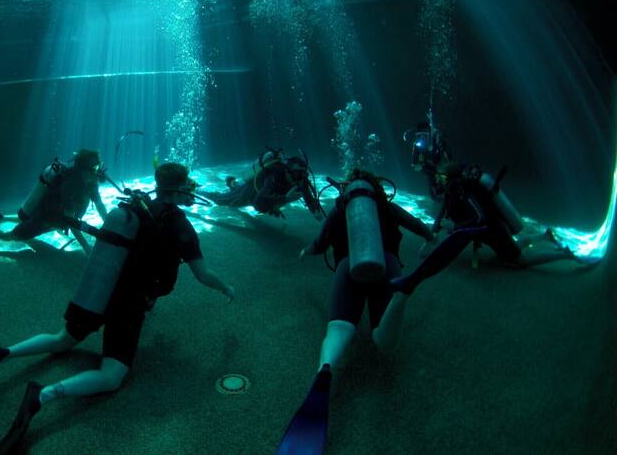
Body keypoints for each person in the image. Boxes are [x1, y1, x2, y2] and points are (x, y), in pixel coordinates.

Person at [0, 162, 235, 454]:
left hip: (97, 289)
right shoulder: (179, 227)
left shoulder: (135, 207)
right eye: (189, 185)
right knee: (112, 376)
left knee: (60, 339)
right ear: (180, 189)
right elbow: (203, 274)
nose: (193, 191)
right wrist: (226, 287)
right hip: (128, 303)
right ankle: (43, 396)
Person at [276, 169, 435, 454]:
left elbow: (319, 244)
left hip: (347, 267)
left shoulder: (341, 210)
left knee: (339, 327)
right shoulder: (386, 207)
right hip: (387, 265)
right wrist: (428, 240)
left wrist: (305, 252)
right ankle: (401, 298)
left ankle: (325, 369)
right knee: (383, 341)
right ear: (377, 188)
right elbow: (421, 227)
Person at [389, 162, 584, 295]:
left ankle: (564, 254)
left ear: (451, 177)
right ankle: (544, 236)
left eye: (441, 177)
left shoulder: (460, 190)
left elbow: (478, 216)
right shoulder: (453, 191)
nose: (438, 181)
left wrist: (456, 227)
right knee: (510, 249)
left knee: (521, 260)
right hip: (489, 232)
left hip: (493, 230)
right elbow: (443, 211)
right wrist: (434, 232)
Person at [0, 149, 109, 254]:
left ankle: (2, 218)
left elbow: (100, 205)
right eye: (95, 168)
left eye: (99, 165)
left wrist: (109, 225)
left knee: (25, 218)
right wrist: (87, 248)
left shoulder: (90, 183)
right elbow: (71, 221)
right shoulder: (71, 187)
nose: (99, 171)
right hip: (44, 218)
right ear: (83, 170)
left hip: (52, 217)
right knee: (11, 236)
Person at [205, 148, 324, 221]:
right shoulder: (275, 176)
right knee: (223, 200)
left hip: (260, 189)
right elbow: (258, 203)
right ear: (287, 171)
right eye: (297, 174)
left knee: (238, 188)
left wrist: (317, 214)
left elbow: (309, 199)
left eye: (303, 174)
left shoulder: (300, 179)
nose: (299, 179)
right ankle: (198, 191)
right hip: (251, 192)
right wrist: (281, 200)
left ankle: (231, 182)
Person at [404, 121, 452, 201]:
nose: (422, 138)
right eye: (419, 136)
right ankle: (437, 196)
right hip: (430, 167)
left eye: (425, 135)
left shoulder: (437, 140)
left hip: (440, 164)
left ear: (430, 134)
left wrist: (443, 171)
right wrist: (434, 173)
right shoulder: (417, 144)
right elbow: (415, 165)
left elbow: (449, 158)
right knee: (432, 181)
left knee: (447, 179)